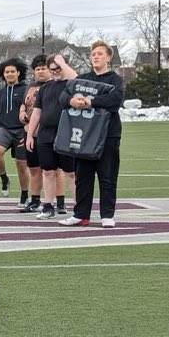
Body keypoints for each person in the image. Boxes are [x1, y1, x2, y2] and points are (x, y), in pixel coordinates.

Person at [59, 40, 124, 228]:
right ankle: (81, 215)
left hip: (107, 135)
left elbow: (115, 100)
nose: (96, 56)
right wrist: (72, 101)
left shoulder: (114, 79)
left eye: (100, 54)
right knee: (83, 176)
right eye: (93, 54)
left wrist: (90, 102)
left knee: (107, 175)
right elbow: (63, 96)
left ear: (108, 57)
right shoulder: (83, 78)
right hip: (85, 135)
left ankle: (107, 215)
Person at [26, 53, 78, 220]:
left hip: (66, 134)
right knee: (47, 171)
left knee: (71, 172)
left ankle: (79, 206)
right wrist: (30, 135)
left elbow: (76, 79)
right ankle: (48, 206)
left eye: (58, 68)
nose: (54, 71)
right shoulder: (45, 89)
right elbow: (36, 113)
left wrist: (63, 63)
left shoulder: (70, 84)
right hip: (45, 135)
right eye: (52, 69)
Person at [0, 58, 31, 209]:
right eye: (7, 72)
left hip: (21, 131)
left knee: (21, 164)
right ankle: (4, 179)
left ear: (18, 72)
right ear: (3, 74)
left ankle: (24, 195)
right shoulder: (0, 93)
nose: (10, 74)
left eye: (12, 71)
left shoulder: (26, 90)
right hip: (5, 129)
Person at [18, 54, 49, 213]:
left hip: (48, 132)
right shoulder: (30, 87)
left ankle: (56, 201)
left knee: (51, 170)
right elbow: (24, 105)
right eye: (38, 69)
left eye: (44, 68)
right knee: (34, 168)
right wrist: (22, 113)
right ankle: (35, 200)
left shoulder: (53, 86)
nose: (41, 72)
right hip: (30, 132)